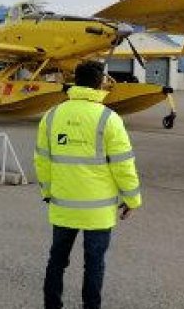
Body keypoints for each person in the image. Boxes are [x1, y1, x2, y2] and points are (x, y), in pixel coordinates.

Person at [36, 60, 142, 309]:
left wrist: (48, 192)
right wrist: (132, 199)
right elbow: (123, 165)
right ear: (100, 83)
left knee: (57, 261)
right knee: (94, 263)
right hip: (98, 212)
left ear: (76, 81)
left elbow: (42, 161)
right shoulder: (109, 119)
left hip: (63, 206)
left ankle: (52, 306)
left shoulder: (52, 116)